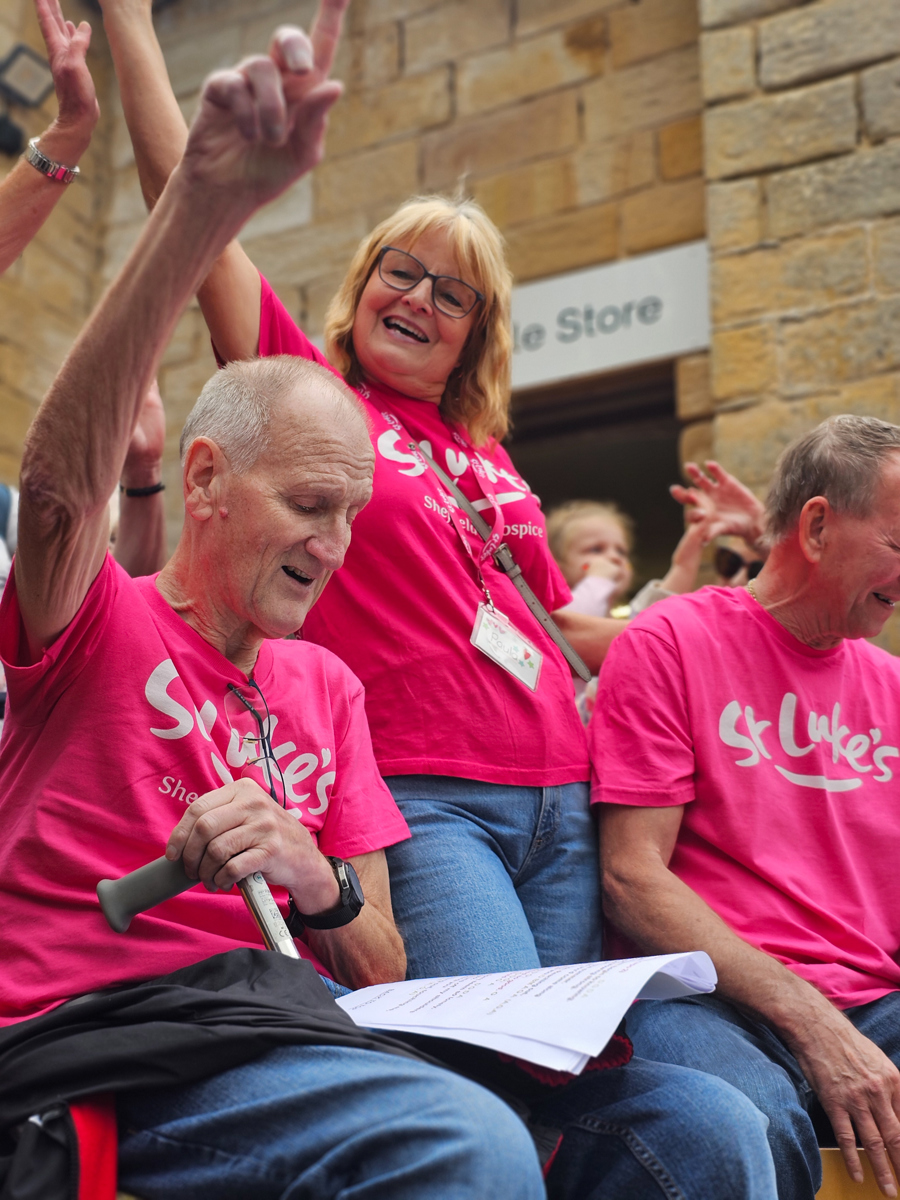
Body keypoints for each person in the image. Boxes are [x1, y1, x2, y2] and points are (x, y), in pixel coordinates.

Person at [96, 4, 785, 1197]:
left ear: (476, 334)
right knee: (490, 1076)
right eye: (398, 271)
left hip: (561, 808)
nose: (417, 297)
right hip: (434, 804)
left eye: (452, 293)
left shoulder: (490, 456)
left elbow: (569, 632)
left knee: (561, 1091)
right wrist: (129, 24)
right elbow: (189, 209)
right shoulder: (313, 398)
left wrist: (746, 587)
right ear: (361, 287)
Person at [0, 19, 553, 1197]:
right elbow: (52, 495)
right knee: (467, 1142)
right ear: (203, 479)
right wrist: (200, 208)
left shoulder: (326, 686)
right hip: (93, 1038)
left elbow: (382, 961)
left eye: (350, 513)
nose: (335, 546)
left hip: (278, 1034)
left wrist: (317, 876)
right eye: (307, 504)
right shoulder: (98, 618)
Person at [592, 414, 900, 1200]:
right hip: (705, 995)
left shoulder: (891, 685)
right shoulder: (668, 640)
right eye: (899, 545)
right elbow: (631, 879)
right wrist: (809, 1016)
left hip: (873, 998)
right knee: (747, 1122)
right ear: (818, 526)